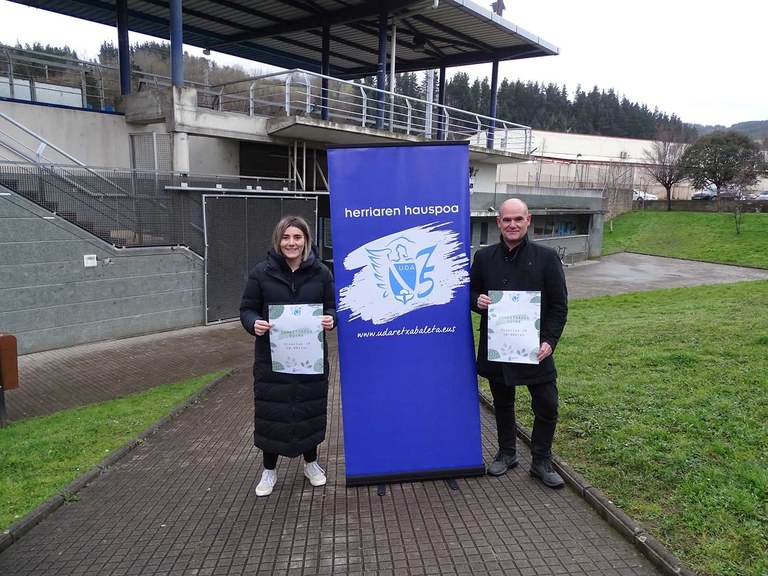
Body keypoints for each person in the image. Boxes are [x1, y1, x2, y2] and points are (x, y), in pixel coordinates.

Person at [470, 198, 568, 488]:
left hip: (534, 348)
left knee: (547, 405)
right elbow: (470, 292)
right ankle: (507, 453)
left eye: (518, 219)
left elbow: (559, 307)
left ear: (529, 221)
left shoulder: (547, 258)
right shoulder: (484, 257)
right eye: (507, 220)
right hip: (500, 346)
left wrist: (550, 341)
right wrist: (477, 300)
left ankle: (541, 460)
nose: (512, 225)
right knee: (503, 403)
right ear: (498, 222)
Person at [239, 216, 336, 497]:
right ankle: (269, 470)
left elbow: (332, 307)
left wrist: (331, 318)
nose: (291, 243)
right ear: (278, 241)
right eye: (286, 237)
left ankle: (311, 464)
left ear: (306, 240)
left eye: (297, 237)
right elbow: (247, 309)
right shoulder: (261, 273)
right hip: (272, 359)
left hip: (310, 357)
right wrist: (253, 323)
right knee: (272, 414)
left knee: (309, 410)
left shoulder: (322, 273)